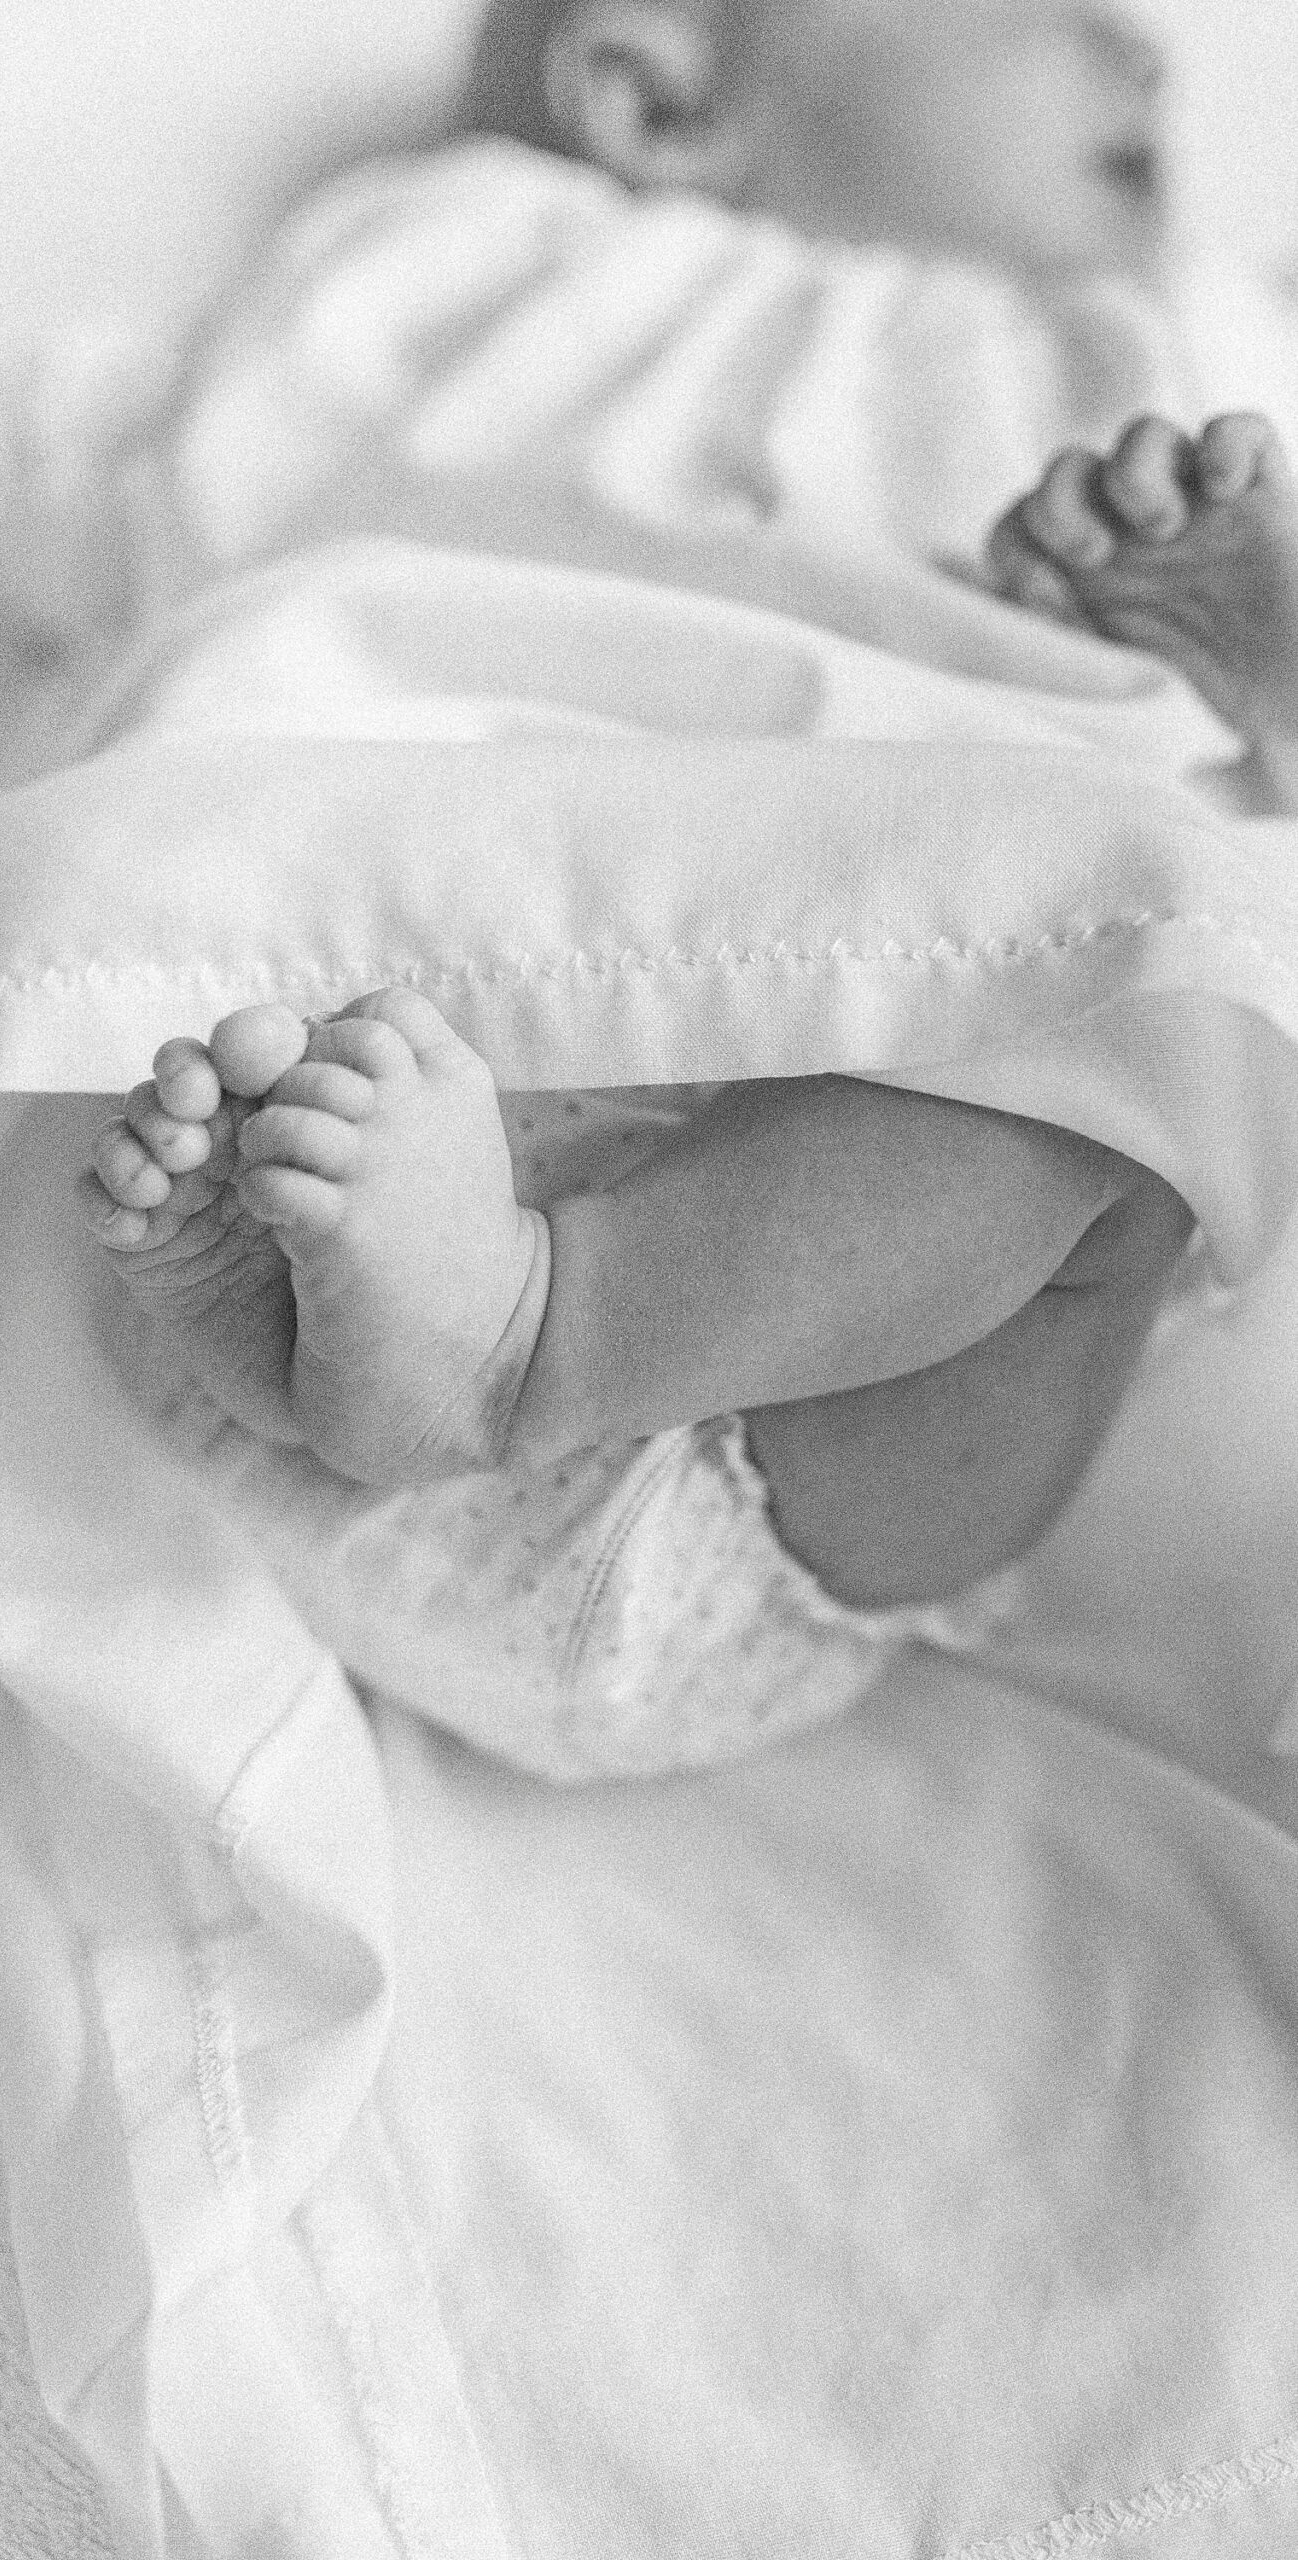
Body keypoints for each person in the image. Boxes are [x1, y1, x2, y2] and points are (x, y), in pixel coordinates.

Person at [67, 1, 1294, 1770]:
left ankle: (532, 1330)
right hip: (351, 1170)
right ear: (651, 87)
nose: (1147, 52)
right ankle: (445, 1319)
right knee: (1131, 953)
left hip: (808, 1418)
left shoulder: (1212, 365)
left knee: (1140, 982)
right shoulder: (473, 269)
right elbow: (212, 540)